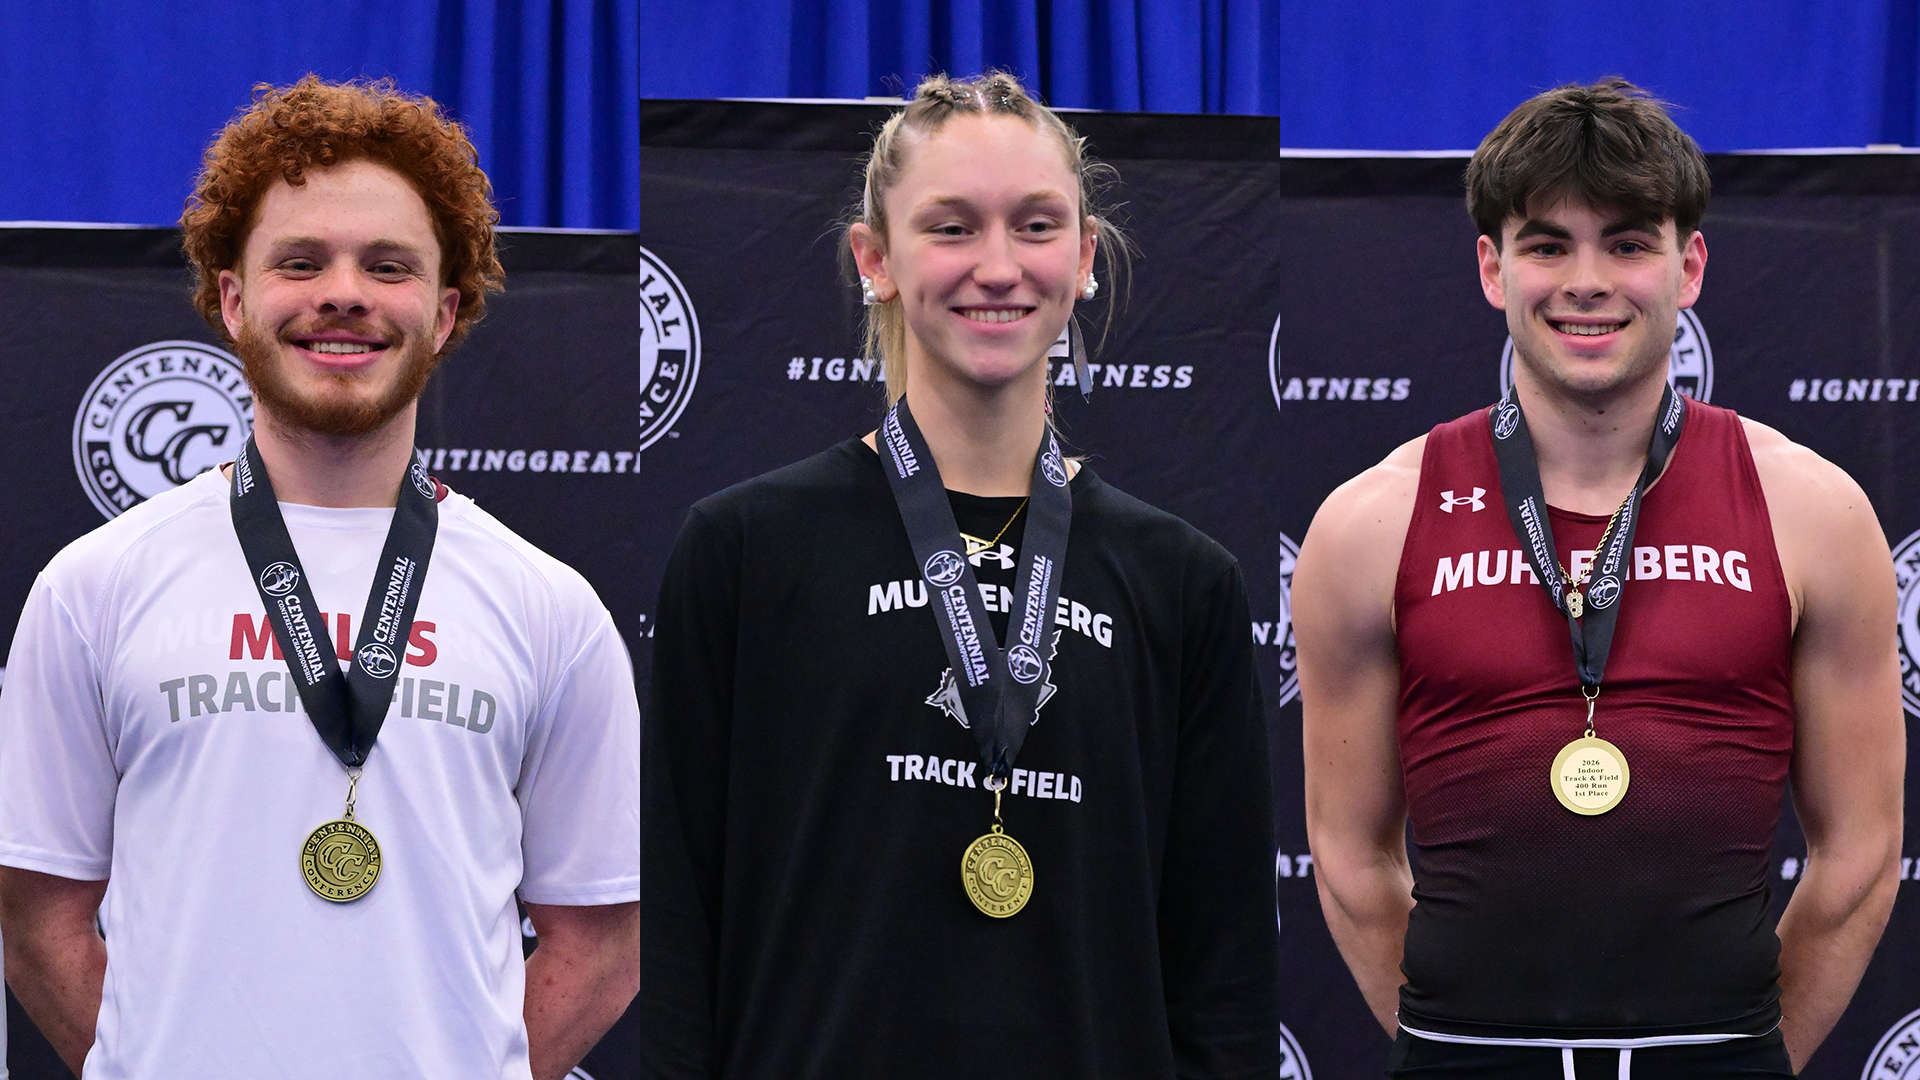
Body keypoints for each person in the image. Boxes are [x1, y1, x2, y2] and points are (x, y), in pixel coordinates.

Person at [641, 72, 1278, 1079]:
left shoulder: (1181, 583)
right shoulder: (744, 549)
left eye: (1034, 226)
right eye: (950, 227)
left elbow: (1226, 975)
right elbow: (677, 932)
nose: (996, 266)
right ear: (875, 260)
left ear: (1083, 260)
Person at [0, 77, 639, 1079]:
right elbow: (37, 918)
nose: (344, 292)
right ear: (233, 298)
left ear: (443, 310)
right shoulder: (95, 588)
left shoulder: (548, 609)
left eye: (388, 266)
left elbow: (602, 945)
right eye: (301, 262)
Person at [1296, 78, 1903, 1077]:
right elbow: (1353, 861)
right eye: (1547, 244)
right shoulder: (1370, 523)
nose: (1587, 280)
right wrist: (1463, 1048)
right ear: (1493, 269)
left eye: (1628, 242)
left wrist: (1737, 1060)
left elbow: (1861, 854)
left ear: (1689, 265)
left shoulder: (1814, 513)